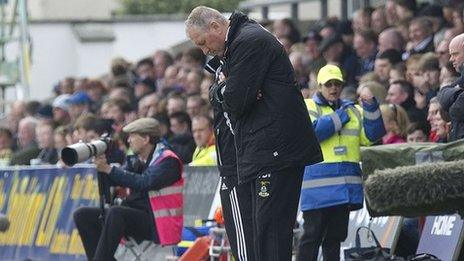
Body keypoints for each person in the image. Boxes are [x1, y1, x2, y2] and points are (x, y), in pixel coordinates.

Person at [186, 6, 323, 261]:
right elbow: (226, 95)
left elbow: (237, 100)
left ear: (216, 26)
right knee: (266, 234)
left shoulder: (249, 42)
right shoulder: (239, 43)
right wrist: (222, 90)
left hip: (276, 151)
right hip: (267, 151)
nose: (205, 51)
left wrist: (227, 90)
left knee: (271, 235)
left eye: (203, 42)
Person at [298, 64, 385, 260]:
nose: (333, 88)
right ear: (319, 86)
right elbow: (312, 134)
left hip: (344, 189)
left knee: (334, 238)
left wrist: (370, 105)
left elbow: (373, 136)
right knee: (311, 237)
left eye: (337, 83)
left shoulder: (353, 110)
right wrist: (341, 116)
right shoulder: (309, 106)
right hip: (317, 190)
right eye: (328, 84)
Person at [73, 118, 183, 261]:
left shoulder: (168, 161)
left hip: (159, 223)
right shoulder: (136, 160)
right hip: (139, 215)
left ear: (145, 139)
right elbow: (118, 179)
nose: (128, 140)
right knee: (82, 215)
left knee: (116, 213)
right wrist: (103, 167)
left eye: (132, 136)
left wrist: (109, 169)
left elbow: (145, 182)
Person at [437, 33, 464, 141]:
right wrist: (458, 93)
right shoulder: (461, 79)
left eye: (455, 54)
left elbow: (456, 110)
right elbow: (442, 95)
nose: (451, 59)